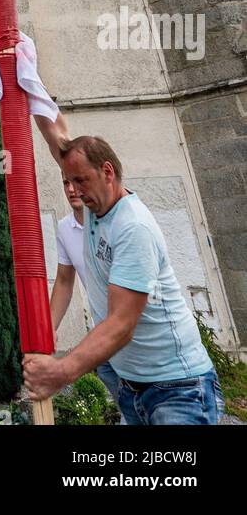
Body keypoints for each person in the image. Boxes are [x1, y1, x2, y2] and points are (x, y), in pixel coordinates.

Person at [29, 120, 224, 426]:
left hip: (177, 389)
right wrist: (26, 79)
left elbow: (121, 324)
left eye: (81, 181)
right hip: (129, 382)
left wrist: (61, 372)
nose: (75, 191)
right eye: (69, 182)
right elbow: (59, 138)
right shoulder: (94, 209)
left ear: (108, 173)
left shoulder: (132, 227)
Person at [50, 167, 122, 411]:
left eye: (76, 182)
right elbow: (64, 281)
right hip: (102, 339)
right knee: (127, 408)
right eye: (65, 183)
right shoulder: (64, 228)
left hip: (132, 333)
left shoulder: (112, 222)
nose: (71, 189)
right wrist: (49, 329)